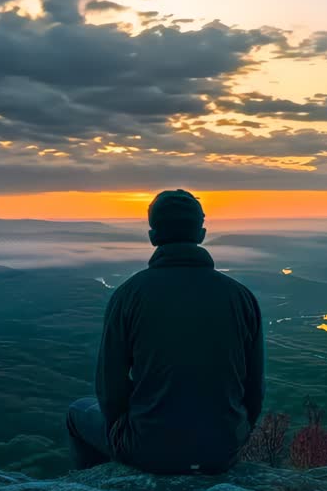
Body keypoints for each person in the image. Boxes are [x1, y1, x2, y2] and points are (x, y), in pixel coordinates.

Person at [66, 189, 265, 474]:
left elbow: (109, 388)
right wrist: (232, 435)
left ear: (152, 236)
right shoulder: (241, 297)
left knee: (77, 412)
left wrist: (131, 434)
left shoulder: (128, 295)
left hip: (147, 449)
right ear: (202, 233)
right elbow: (255, 390)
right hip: (221, 451)